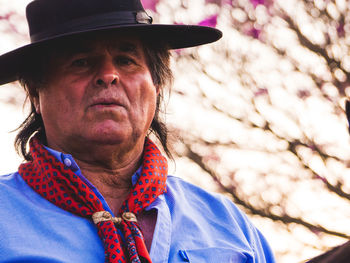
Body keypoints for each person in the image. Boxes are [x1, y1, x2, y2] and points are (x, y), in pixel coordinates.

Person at [0, 0, 275, 262]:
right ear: (36, 92)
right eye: (81, 61)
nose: (108, 75)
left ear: (157, 85)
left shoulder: (231, 228)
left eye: (126, 60)